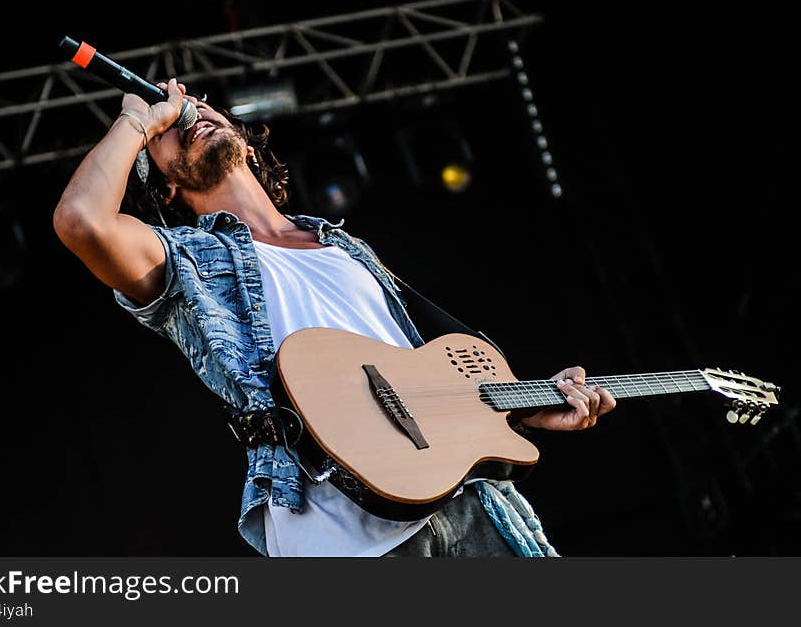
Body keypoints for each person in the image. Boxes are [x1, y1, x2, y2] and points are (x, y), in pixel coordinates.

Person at [52, 78, 617, 557]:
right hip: (343, 537)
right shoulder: (184, 260)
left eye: (198, 106)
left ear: (246, 145)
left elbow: (438, 373)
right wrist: (137, 121)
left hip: (471, 509)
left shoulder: (345, 248)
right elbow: (81, 221)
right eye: (170, 130)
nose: (187, 115)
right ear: (168, 185)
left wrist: (529, 406)